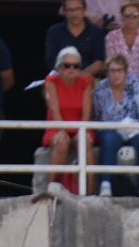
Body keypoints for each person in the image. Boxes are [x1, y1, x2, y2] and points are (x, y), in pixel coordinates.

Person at [41, 46, 94, 193]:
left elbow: (87, 110)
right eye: (67, 65)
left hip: (80, 124)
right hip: (57, 125)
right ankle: (52, 190)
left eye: (76, 66)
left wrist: (81, 131)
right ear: (60, 66)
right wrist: (62, 131)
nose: (72, 69)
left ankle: (88, 193)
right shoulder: (51, 81)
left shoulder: (86, 81)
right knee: (62, 143)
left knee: (85, 142)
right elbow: (55, 109)